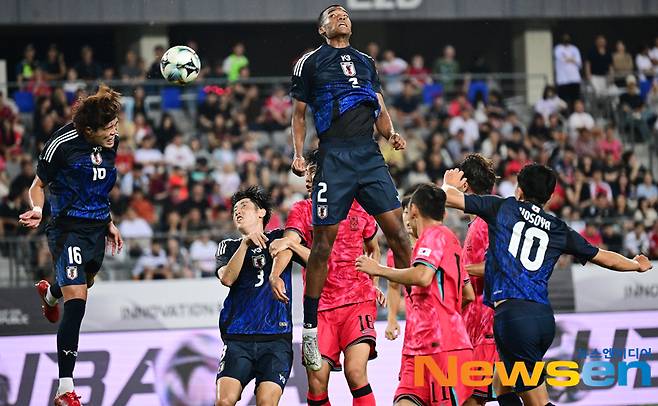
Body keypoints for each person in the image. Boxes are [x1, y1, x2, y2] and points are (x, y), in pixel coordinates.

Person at [440, 164, 653, 406]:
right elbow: (603, 257)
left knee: (538, 402)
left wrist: (449, 184)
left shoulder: (503, 208)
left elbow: (449, 197)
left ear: (519, 190)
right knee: (502, 384)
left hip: (514, 318)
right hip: (542, 318)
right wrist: (635, 264)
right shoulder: (557, 228)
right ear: (549, 198)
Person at [289, 4, 411, 370]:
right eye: (333, 14)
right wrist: (298, 154)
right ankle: (309, 329)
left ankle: (419, 305)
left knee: (399, 234)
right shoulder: (309, 62)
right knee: (322, 245)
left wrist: (390, 133)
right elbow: (298, 114)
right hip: (334, 157)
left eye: (345, 13)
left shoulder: (367, 62)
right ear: (322, 29)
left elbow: (379, 106)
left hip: (368, 155)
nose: (341, 16)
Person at [19, 85, 124, 406]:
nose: (114, 132)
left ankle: (50, 293)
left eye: (115, 125)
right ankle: (65, 388)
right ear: (88, 130)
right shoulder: (60, 145)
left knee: (84, 281)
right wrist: (38, 209)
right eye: (108, 128)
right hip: (67, 229)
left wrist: (108, 221)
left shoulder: (111, 141)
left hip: (96, 228)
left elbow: (97, 186)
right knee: (77, 300)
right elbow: (38, 185)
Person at [269, 149, 382, 406]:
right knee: (317, 384)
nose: (309, 179)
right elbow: (289, 244)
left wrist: (374, 283)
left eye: (314, 172)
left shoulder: (359, 206)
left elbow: (373, 248)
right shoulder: (302, 209)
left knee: (355, 372)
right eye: (307, 173)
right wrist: (275, 274)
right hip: (319, 308)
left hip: (357, 301)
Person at [355, 184, 474, 406]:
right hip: (418, 347)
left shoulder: (434, 235)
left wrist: (379, 269)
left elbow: (422, 276)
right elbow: (468, 294)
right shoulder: (447, 240)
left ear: (414, 211)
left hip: (442, 349)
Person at [215, 187, 298, 406]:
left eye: (244, 205)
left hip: (276, 338)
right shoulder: (228, 246)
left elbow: (316, 260)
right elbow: (227, 279)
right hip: (238, 338)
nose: (237, 211)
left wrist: (290, 244)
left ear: (261, 212)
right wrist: (245, 244)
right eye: (234, 209)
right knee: (224, 401)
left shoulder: (280, 237)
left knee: (266, 403)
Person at [457, 154, 499, 406]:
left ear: (465, 185)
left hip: (484, 322)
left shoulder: (484, 223)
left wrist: (458, 269)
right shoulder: (478, 222)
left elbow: (495, 266)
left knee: (473, 398)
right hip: (472, 322)